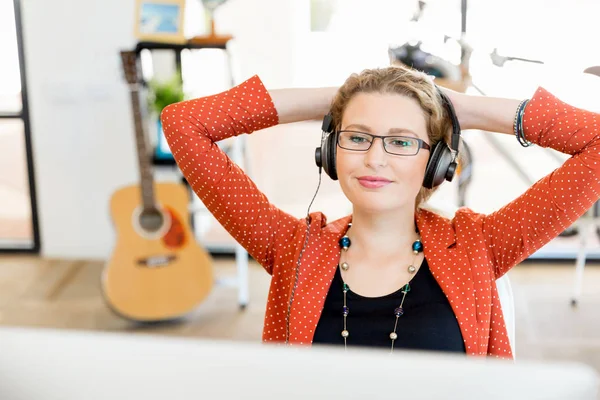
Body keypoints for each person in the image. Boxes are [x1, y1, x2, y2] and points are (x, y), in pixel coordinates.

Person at [160, 64, 600, 359]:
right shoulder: (293, 247)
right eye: (357, 136)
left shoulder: (478, 246)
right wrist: (343, 99)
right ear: (331, 151)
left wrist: (457, 108)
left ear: (437, 162)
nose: (375, 158)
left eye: (402, 141)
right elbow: (185, 123)